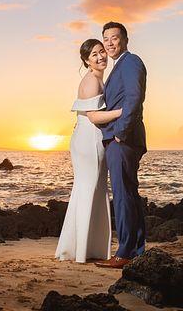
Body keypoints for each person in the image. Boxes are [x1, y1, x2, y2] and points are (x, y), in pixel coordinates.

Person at [54, 39, 122, 263]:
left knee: (89, 189)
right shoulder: (92, 81)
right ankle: (83, 252)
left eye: (102, 51)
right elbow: (94, 116)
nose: (101, 56)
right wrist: (124, 111)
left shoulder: (96, 79)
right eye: (94, 55)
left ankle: (80, 249)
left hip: (85, 137)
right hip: (89, 138)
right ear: (86, 61)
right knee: (91, 189)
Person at [94, 21, 147, 269]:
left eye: (114, 38)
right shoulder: (118, 67)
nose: (110, 43)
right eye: (106, 39)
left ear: (124, 39)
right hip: (122, 138)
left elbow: (135, 99)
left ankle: (125, 252)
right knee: (129, 194)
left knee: (124, 196)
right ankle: (136, 249)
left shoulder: (131, 61)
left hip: (123, 139)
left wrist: (120, 134)